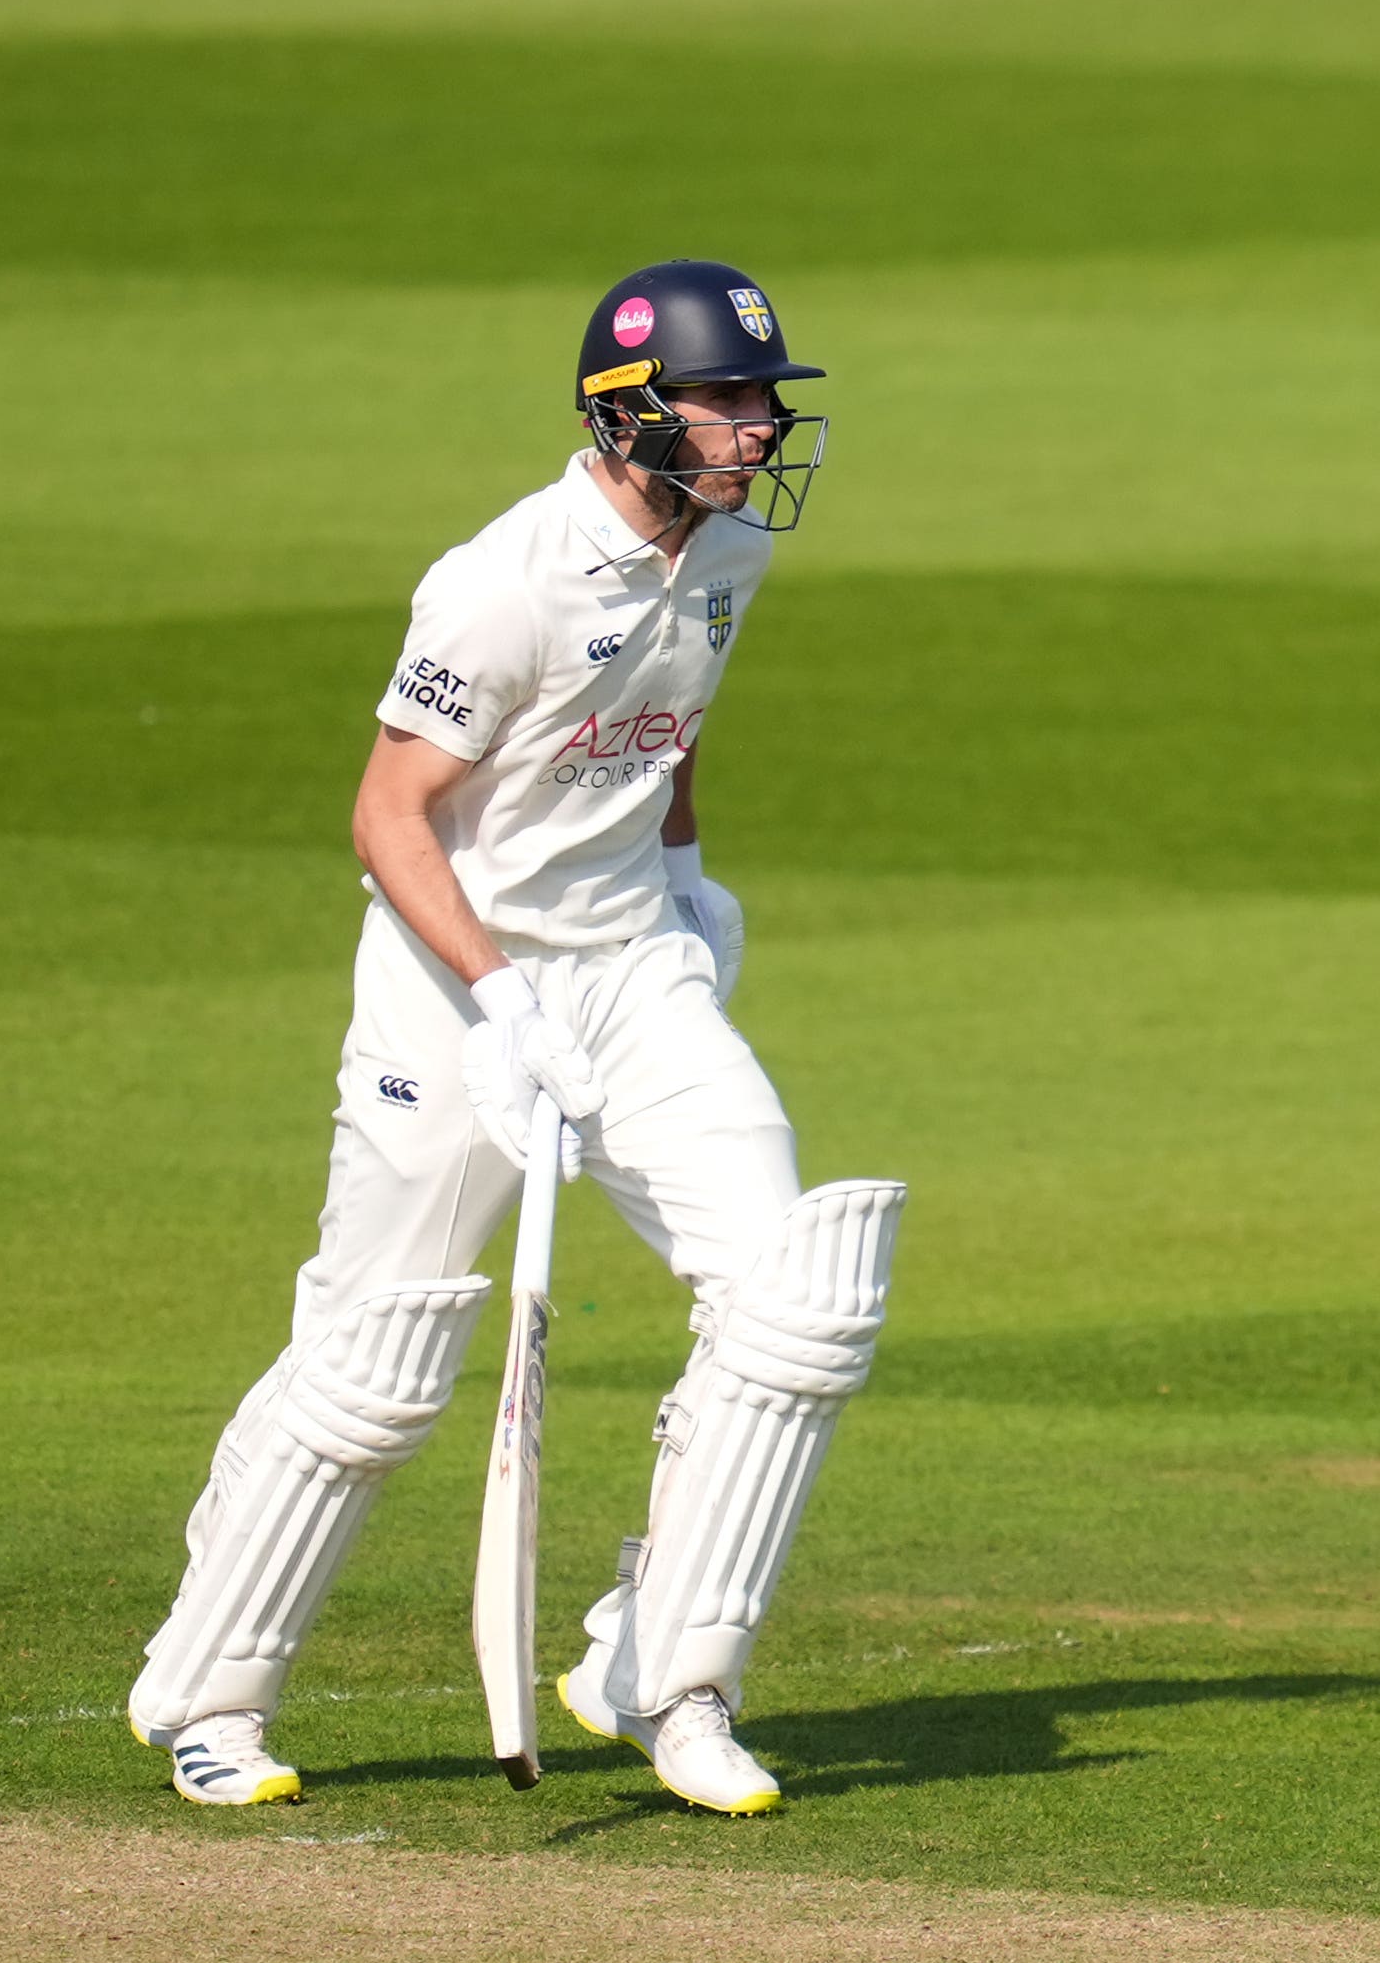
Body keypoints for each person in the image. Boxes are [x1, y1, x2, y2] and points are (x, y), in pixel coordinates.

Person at [128, 259, 904, 1816]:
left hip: (630, 972)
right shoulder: (503, 579)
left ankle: (663, 1676)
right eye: (727, 402)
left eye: (765, 403)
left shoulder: (730, 549)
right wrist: (495, 998)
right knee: (378, 1358)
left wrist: (684, 887)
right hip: (454, 981)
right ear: (627, 414)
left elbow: (662, 732)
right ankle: (209, 1694)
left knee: (798, 1297)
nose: (758, 431)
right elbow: (388, 813)